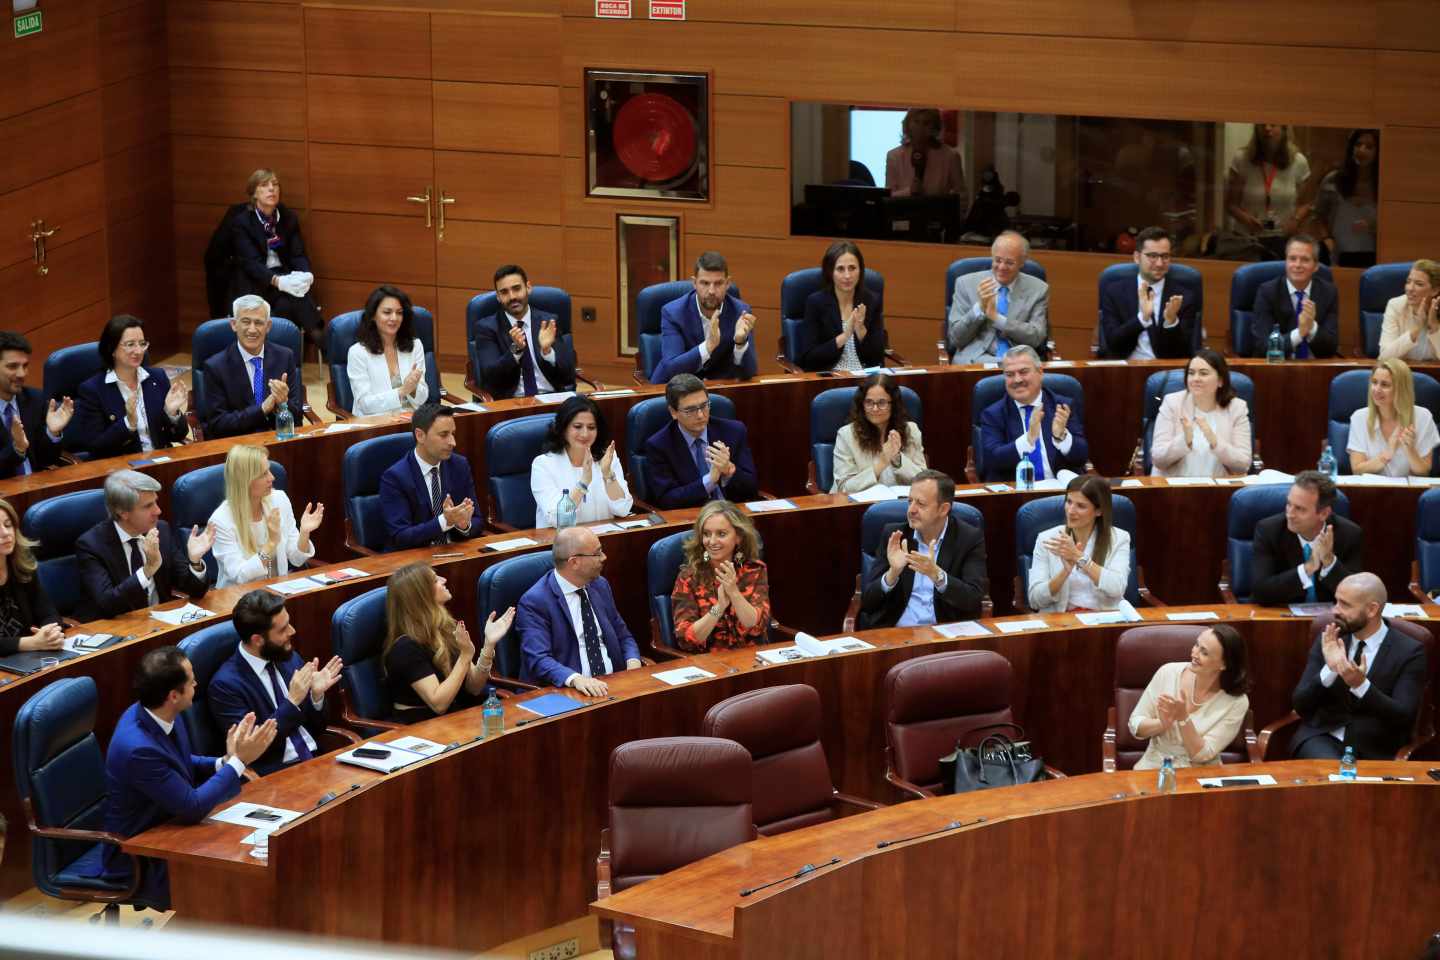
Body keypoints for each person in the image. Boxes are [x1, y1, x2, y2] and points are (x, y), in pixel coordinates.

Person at [100, 646, 277, 910]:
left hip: (170, 823)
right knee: (240, 873)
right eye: (191, 680)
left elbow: (180, 762)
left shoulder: (158, 713)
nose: (197, 683)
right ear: (173, 695)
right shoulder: (137, 748)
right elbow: (192, 807)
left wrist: (223, 762)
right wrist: (240, 761)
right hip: (141, 852)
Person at [1290, 572, 1427, 760]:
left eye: (1345, 604)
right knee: (1332, 776)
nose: (1335, 610)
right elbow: (1300, 704)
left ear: (1372, 610)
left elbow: (1403, 717)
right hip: (1322, 738)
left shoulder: (1410, 651)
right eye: (1336, 601)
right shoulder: (1330, 638)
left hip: (1373, 748)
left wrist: (1361, 685)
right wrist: (1329, 670)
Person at [207, 590, 343, 775]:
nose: (292, 631)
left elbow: (317, 728)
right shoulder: (225, 686)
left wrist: (316, 697)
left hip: (317, 760)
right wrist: (292, 702)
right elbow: (251, 751)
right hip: (275, 775)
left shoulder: (288, 658)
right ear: (258, 640)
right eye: (283, 629)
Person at [517, 526, 642, 694]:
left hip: (614, 684)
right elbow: (538, 659)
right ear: (574, 562)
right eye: (597, 553)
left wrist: (633, 661)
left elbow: (623, 635)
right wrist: (576, 679)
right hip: (569, 691)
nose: (604, 558)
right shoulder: (535, 601)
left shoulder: (600, 585)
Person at [383, 563, 514, 723]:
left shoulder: (445, 628)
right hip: (421, 727)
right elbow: (439, 704)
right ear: (421, 595)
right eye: (435, 580)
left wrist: (488, 645)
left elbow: (474, 687)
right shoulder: (405, 648)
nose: (444, 580)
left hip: (453, 718)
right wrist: (465, 656)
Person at [75, 470, 213, 622]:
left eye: (156, 502)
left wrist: (195, 562)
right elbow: (108, 604)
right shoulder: (92, 545)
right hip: (117, 629)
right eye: (148, 506)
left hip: (160, 624)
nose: (158, 511)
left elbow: (196, 591)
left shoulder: (161, 530)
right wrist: (147, 571)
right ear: (123, 513)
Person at [858, 470, 986, 628]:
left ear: (943, 509)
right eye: (910, 501)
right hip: (898, 635)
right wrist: (892, 574)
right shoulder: (895, 537)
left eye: (920, 503)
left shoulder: (968, 538)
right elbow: (868, 603)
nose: (911, 510)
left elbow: (973, 600)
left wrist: (938, 576)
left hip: (944, 635)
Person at [229, 168, 323, 358]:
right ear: (254, 193)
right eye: (265, 185)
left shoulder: (287, 218)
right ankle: (322, 339)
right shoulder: (241, 222)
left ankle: (283, 359)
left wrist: (306, 274)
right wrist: (278, 282)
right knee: (293, 302)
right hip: (255, 281)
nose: (272, 189)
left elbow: (298, 254)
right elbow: (251, 264)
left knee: (290, 302)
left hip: (284, 275)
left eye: (275, 184)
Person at [1127, 625, 1252, 769]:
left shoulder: (1237, 702)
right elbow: (1135, 725)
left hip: (1200, 773)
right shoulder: (1167, 672)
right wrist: (1162, 724)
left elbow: (1202, 754)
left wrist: (1183, 718)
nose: (1194, 653)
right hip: (1154, 766)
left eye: (1204, 652)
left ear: (1224, 664)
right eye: (1196, 645)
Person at [70, 315, 189, 459]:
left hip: (161, 461)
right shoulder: (93, 390)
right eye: (130, 344)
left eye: (142, 343)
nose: (138, 351)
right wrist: (128, 424)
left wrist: (172, 414)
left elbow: (178, 436)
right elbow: (96, 448)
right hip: (124, 468)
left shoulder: (157, 378)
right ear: (112, 349)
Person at [209, 444, 323, 587]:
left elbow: (297, 559)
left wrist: (304, 533)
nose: (272, 477)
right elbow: (240, 576)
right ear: (245, 481)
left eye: (269, 470)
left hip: (278, 591)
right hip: (240, 599)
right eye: (263, 474)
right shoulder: (220, 521)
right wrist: (270, 544)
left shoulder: (279, 500)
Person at [642, 374, 758, 508]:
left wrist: (729, 471)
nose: (700, 415)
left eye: (704, 406)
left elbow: (752, 488)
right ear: (673, 412)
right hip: (691, 519)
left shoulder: (733, 431)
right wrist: (709, 480)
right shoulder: (659, 445)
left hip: (733, 514)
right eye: (690, 410)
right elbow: (667, 499)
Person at [199, 295, 306, 438]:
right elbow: (217, 424)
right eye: (245, 322)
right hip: (238, 447)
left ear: (268, 326)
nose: (252, 329)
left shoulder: (285, 357)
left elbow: (297, 418)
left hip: (277, 440)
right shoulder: (215, 366)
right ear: (234, 324)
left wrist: (283, 403)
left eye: (258, 323)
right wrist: (262, 409)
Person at [1251, 471, 1364, 607]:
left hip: (1332, 620)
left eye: (1299, 509)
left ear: (1323, 513)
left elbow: (1356, 596)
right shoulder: (1269, 530)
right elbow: (1261, 592)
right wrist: (1308, 568)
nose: (1290, 514)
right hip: (1282, 618)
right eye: (1288, 504)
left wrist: (1329, 562)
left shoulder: (1349, 534)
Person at [978, 345, 1088, 482]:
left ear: (1040, 372)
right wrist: (1028, 440)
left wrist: (1062, 437)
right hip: (1017, 493)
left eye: (1023, 372)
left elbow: (1081, 457)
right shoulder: (993, 414)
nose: (1017, 380)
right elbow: (992, 460)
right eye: (1010, 375)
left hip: (1061, 493)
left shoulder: (1061, 406)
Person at [671, 500, 770, 652]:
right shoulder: (689, 577)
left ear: (738, 537)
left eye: (721, 534)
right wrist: (719, 607)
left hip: (750, 661)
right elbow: (686, 638)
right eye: (706, 534)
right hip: (710, 666)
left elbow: (757, 626)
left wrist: (734, 593)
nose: (712, 541)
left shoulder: (754, 570)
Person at [379, 403, 478, 550]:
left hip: (454, 554)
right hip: (416, 562)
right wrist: (444, 521)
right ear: (420, 435)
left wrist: (463, 525)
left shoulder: (459, 465)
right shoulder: (395, 478)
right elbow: (401, 536)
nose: (453, 442)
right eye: (444, 435)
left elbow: (477, 520)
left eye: (453, 434)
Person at [1026, 475, 1131, 613]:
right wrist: (1064, 573)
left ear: (1099, 511)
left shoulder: (1119, 538)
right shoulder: (1047, 539)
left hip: (1103, 622)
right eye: (1069, 502)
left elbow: (1117, 588)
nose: (1071, 511)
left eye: (1081, 506)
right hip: (1061, 623)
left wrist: (1080, 558)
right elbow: (1035, 600)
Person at [650, 252, 758, 384]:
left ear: (728, 283)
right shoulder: (673, 313)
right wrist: (708, 345)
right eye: (705, 283)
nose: (711, 291)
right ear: (694, 283)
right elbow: (672, 368)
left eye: (718, 283)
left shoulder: (740, 312)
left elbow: (750, 372)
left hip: (719, 388)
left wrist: (740, 343)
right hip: (676, 390)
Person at [473, 264, 577, 398]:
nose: (512, 297)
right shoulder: (487, 328)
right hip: (512, 404)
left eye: (516, 289)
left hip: (551, 399)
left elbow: (568, 375)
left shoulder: (548, 322)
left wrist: (547, 351)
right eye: (504, 292)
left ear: (528, 287)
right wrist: (515, 350)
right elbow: (491, 378)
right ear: (498, 297)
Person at [1098, 226, 1201, 359]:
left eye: (1165, 256)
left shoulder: (1184, 296)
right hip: (1126, 368)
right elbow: (1112, 344)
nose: (1159, 263)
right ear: (1137, 257)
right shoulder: (1114, 292)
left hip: (1165, 371)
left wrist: (1171, 322)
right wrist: (1142, 319)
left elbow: (1184, 352)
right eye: (1152, 256)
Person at [946, 231, 1049, 364]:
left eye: (1009, 263)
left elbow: (1036, 338)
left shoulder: (1038, 289)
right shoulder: (965, 283)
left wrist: (997, 319)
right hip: (975, 361)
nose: (1001, 267)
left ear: (1022, 262)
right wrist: (979, 309)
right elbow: (956, 338)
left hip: (1019, 362)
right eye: (998, 260)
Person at [530, 396, 632, 527]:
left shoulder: (606, 457)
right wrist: (583, 483)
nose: (585, 434)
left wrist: (607, 474)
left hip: (603, 540)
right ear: (563, 428)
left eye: (591, 427)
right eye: (578, 426)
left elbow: (623, 510)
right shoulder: (543, 465)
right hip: (564, 544)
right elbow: (558, 519)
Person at [1150, 348, 1252, 479]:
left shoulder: (1237, 408)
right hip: (1175, 489)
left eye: (1203, 373)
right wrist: (1184, 441)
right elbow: (1158, 460)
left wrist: (1215, 442)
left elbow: (1243, 465)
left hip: (1219, 489)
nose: (1195, 379)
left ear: (1220, 380)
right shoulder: (1172, 403)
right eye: (1191, 373)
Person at [1225, 124, 1312, 261]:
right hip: (1248, 240)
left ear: (1284, 128)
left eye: (1273, 124)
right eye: (1262, 124)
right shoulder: (1242, 158)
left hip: (1283, 240)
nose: (1267, 128)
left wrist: (1295, 220)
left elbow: (1306, 204)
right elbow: (1231, 205)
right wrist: (1247, 220)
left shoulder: (1298, 161)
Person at [798, 241, 887, 372]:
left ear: (860, 271)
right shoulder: (816, 303)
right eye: (840, 269)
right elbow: (809, 358)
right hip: (830, 378)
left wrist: (861, 330)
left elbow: (877, 358)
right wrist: (845, 336)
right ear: (830, 272)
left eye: (852, 268)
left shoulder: (871, 301)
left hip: (864, 379)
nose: (847, 276)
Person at [831, 373, 927, 494]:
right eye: (869, 402)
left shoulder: (911, 431)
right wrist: (881, 463)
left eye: (882, 403)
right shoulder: (846, 435)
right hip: (857, 507)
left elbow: (923, 481)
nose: (875, 409)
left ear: (894, 404)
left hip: (901, 506)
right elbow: (843, 488)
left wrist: (897, 459)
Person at [1249, 235, 1339, 359]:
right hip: (1277, 367)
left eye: (1305, 260)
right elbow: (1262, 347)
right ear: (1285, 262)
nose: (1297, 265)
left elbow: (1330, 348)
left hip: (1315, 368)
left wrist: (1311, 327)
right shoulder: (1267, 292)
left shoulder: (1328, 292)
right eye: (1292, 258)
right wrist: (1299, 333)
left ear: (1316, 266)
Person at [1346, 358, 1439, 478]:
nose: (1376, 389)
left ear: (1401, 389)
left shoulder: (1423, 417)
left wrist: (1410, 450)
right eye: (1374, 382)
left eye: (1385, 384)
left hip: (1410, 492)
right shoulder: (1359, 417)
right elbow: (1357, 470)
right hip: (1370, 491)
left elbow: (1424, 472)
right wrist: (1386, 454)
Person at [346, 285, 429, 416]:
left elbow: (423, 398)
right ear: (373, 315)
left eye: (399, 312)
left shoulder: (415, 346)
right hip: (377, 424)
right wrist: (402, 390)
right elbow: (365, 404)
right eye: (387, 312)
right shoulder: (357, 353)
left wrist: (413, 389)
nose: (394, 318)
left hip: (412, 420)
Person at [0, 331, 71, 477]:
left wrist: (52, 433)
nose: (22, 374)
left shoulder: (35, 399)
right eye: (12, 366)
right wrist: (17, 449)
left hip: (36, 488)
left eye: (25, 366)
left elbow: (46, 460)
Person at [0, 497, 64, 655]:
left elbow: (49, 613)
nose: (5, 533)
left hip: (27, 658)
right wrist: (31, 643)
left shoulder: (22, 566)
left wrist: (50, 633)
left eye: (8, 525)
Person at [1314, 129, 1378, 268]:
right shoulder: (1333, 179)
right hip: (1338, 254)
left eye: (1369, 147)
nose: (1362, 150)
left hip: (1373, 255)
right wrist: (1328, 240)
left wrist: (1374, 226)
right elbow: (1319, 215)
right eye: (1358, 144)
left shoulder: (1383, 183)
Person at [883, 108, 968, 207]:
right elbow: (888, 197)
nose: (920, 127)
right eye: (916, 121)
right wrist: (909, 191)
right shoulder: (894, 156)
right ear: (908, 124)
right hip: (903, 216)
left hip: (937, 216)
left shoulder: (950, 156)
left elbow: (962, 196)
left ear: (935, 127)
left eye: (926, 123)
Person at [1378, 259, 1440, 362]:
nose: (1410, 288)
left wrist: (1434, 328)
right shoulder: (1396, 305)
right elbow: (1384, 357)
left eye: (1419, 284)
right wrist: (1416, 329)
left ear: (1435, 290)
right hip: (1402, 374)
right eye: (1408, 282)